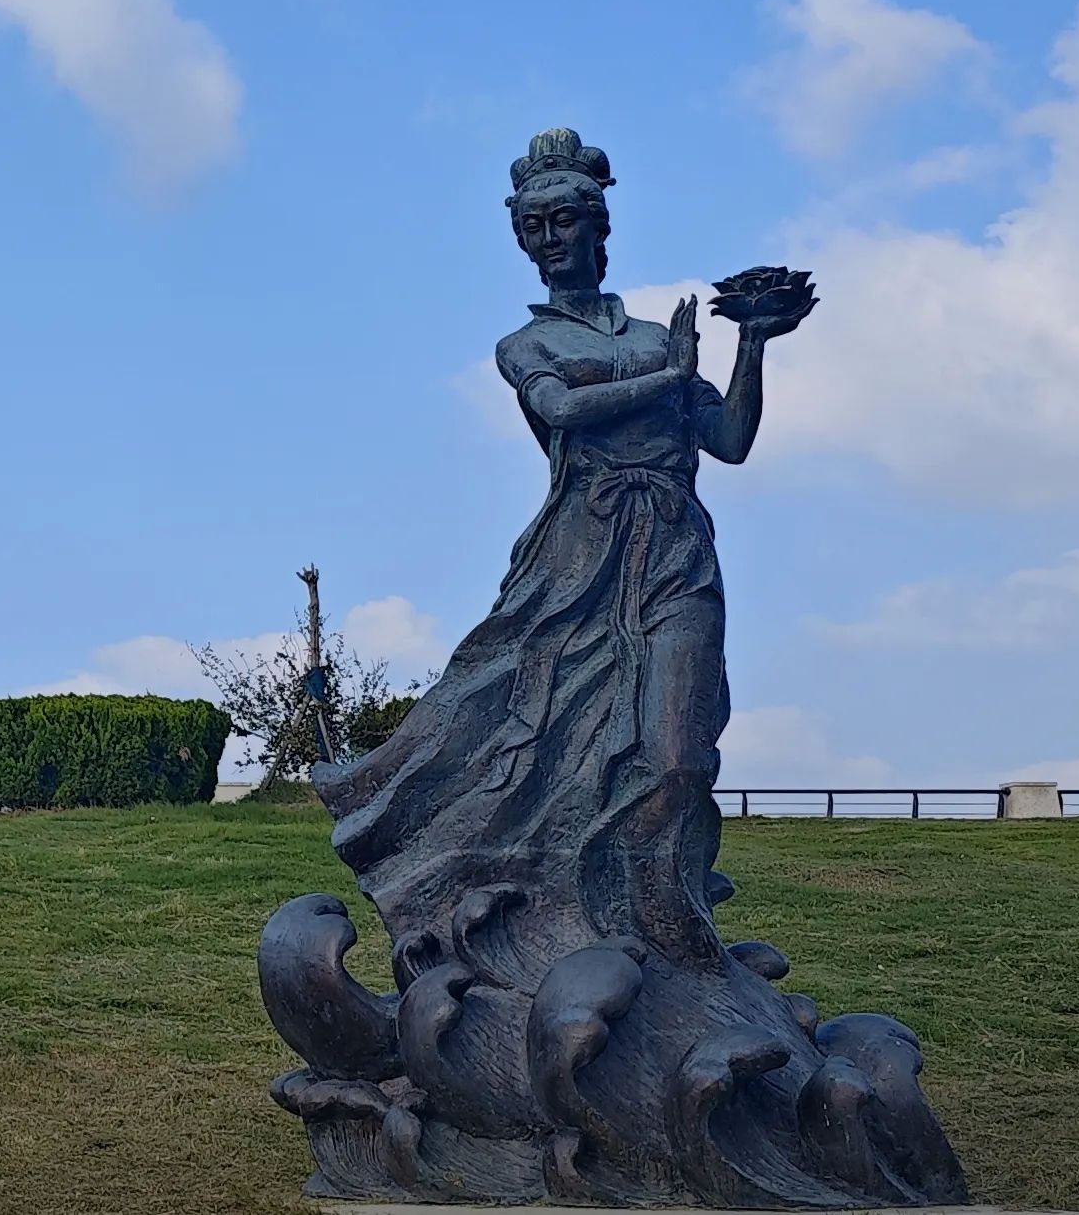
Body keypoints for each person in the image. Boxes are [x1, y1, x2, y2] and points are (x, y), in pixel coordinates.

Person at [326, 127, 802, 969]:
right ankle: (525, 906)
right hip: (576, 563)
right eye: (532, 226)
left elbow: (729, 440)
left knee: (678, 755)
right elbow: (562, 412)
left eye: (564, 221)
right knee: (528, 732)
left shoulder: (656, 334)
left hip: (675, 552)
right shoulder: (530, 345)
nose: (549, 239)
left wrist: (752, 344)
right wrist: (669, 376)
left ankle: (662, 919)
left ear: (597, 225)